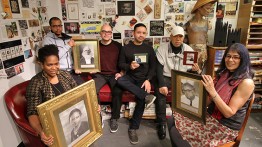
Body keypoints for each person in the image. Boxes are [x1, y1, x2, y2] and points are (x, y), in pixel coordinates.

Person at [167, 43, 255, 146]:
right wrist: (201, 89)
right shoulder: (224, 73)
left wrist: (212, 91)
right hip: (210, 116)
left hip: (224, 127)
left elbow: (229, 113)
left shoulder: (246, 83)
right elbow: (208, 101)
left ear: (243, 60)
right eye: (228, 56)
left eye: (236, 57)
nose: (230, 60)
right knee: (171, 119)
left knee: (176, 134)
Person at [26, 44, 78, 146]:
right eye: (49, 65)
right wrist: (41, 132)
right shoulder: (36, 82)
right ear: (41, 64)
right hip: (54, 124)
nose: (54, 68)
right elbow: (32, 112)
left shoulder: (65, 75)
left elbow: (78, 93)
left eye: (56, 63)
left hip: (72, 117)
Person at [155, 25, 200, 140]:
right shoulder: (162, 48)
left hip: (182, 77)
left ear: (183, 38)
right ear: (171, 37)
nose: (178, 39)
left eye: (180, 37)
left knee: (192, 92)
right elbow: (158, 68)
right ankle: (161, 124)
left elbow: (191, 71)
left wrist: (195, 70)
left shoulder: (189, 50)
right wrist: (162, 85)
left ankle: (185, 122)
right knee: (160, 93)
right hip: (166, 76)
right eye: (175, 36)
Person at [117, 23, 156, 144]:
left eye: (144, 33)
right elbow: (120, 64)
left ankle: (133, 128)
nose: (141, 35)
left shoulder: (149, 49)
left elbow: (153, 67)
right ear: (133, 33)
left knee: (141, 100)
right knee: (119, 79)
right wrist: (130, 66)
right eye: (139, 32)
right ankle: (145, 95)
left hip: (143, 79)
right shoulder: (125, 48)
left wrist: (148, 79)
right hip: (130, 77)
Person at [89, 24, 123, 133]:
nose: (106, 34)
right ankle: (98, 115)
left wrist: (121, 73)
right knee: (92, 89)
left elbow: (123, 62)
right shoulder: (94, 45)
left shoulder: (118, 46)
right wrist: (91, 68)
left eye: (109, 32)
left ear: (111, 33)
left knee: (118, 90)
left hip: (114, 74)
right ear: (100, 33)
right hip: (100, 74)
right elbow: (89, 60)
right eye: (104, 31)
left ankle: (114, 118)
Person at [42, 17, 84, 85]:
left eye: (59, 25)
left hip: (72, 71)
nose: (58, 28)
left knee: (83, 87)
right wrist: (68, 46)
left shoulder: (67, 38)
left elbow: (73, 55)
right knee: (68, 91)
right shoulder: (47, 40)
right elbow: (53, 58)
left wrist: (76, 66)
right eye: (55, 26)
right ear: (50, 27)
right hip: (59, 72)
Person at [185, 0, 216, 71]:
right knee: (189, 72)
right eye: (207, 8)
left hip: (203, 53)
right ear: (199, 8)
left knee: (200, 72)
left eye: (210, 9)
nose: (209, 11)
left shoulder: (207, 23)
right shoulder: (189, 24)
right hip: (191, 51)